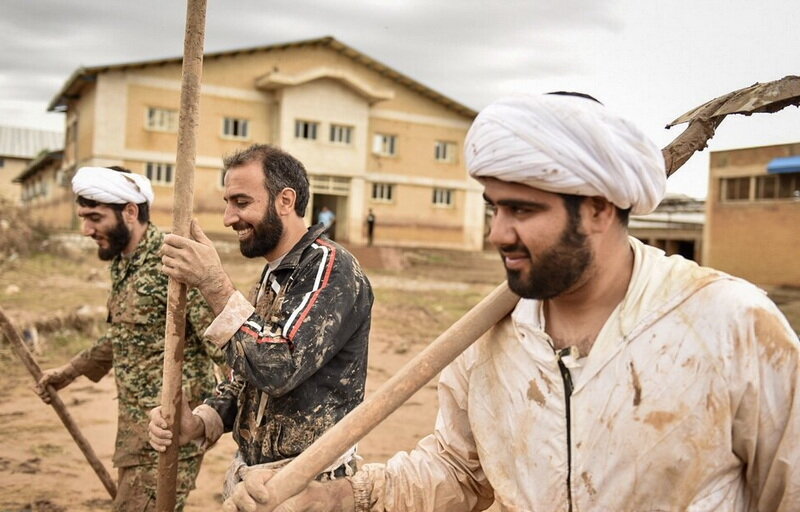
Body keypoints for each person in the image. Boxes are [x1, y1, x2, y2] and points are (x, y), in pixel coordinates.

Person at [225, 93, 800, 511]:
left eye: (522, 210)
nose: (497, 233)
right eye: (494, 207)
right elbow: (456, 469)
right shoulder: (488, 339)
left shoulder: (730, 326)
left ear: (600, 207)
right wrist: (336, 499)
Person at [148, 144, 373, 498]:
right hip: (254, 481)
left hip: (312, 491)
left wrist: (214, 285)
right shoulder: (273, 277)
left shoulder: (331, 269)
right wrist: (202, 421)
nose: (227, 218)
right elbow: (247, 380)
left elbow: (278, 367)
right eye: (227, 203)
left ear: (285, 201)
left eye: (241, 202)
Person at [35, 166, 222, 511]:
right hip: (133, 435)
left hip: (167, 437)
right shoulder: (124, 260)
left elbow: (222, 346)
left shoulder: (174, 263)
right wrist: (70, 372)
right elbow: (124, 334)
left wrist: (214, 421)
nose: (86, 229)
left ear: (131, 212)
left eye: (94, 217)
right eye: (83, 217)